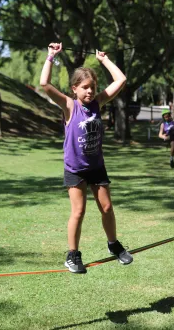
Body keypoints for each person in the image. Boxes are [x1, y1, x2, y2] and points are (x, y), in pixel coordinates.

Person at [40, 42, 133, 273]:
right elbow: (44, 84)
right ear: (74, 89)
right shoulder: (70, 106)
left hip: (96, 166)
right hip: (75, 169)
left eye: (92, 87)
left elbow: (120, 80)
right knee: (78, 211)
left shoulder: (98, 103)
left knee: (107, 207)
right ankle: (73, 255)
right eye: (85, 87)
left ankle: (113, 245)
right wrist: (51, 57)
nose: (90, 91)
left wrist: (104, 60)